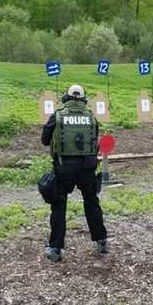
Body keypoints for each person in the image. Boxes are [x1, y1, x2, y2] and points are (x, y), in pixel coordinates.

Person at [41, 84, 108, 262]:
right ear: (84, 99)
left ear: (66, 98)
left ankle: (55, 248)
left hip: (64, 167)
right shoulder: (92, 118)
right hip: (87, 167)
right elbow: (95, 142)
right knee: (92, 202)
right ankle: (101, 241)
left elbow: (44, 140)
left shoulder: (57, 116)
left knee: (59, 205)